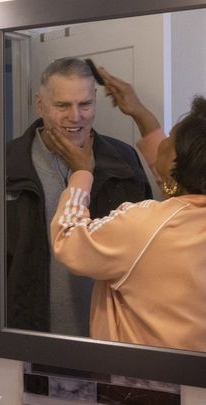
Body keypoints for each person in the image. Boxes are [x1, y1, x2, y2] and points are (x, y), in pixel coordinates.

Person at [48, 90, 206, 351]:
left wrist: (82, 173)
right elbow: (177, 182)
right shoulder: (188, 203)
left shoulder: (143, 225)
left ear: (178, 160)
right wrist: (140, 113)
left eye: (170, 137)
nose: (163, 141)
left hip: (143, 383)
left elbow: (68, 238)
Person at [5, 57, 151, 335]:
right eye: (62, 105)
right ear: (40, 104)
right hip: (28, 333)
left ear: (95, 102)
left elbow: (144, 252)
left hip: (111, 333)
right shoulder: (7, 163)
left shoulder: (124, 159)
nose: (75, 116)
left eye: (85, 104)